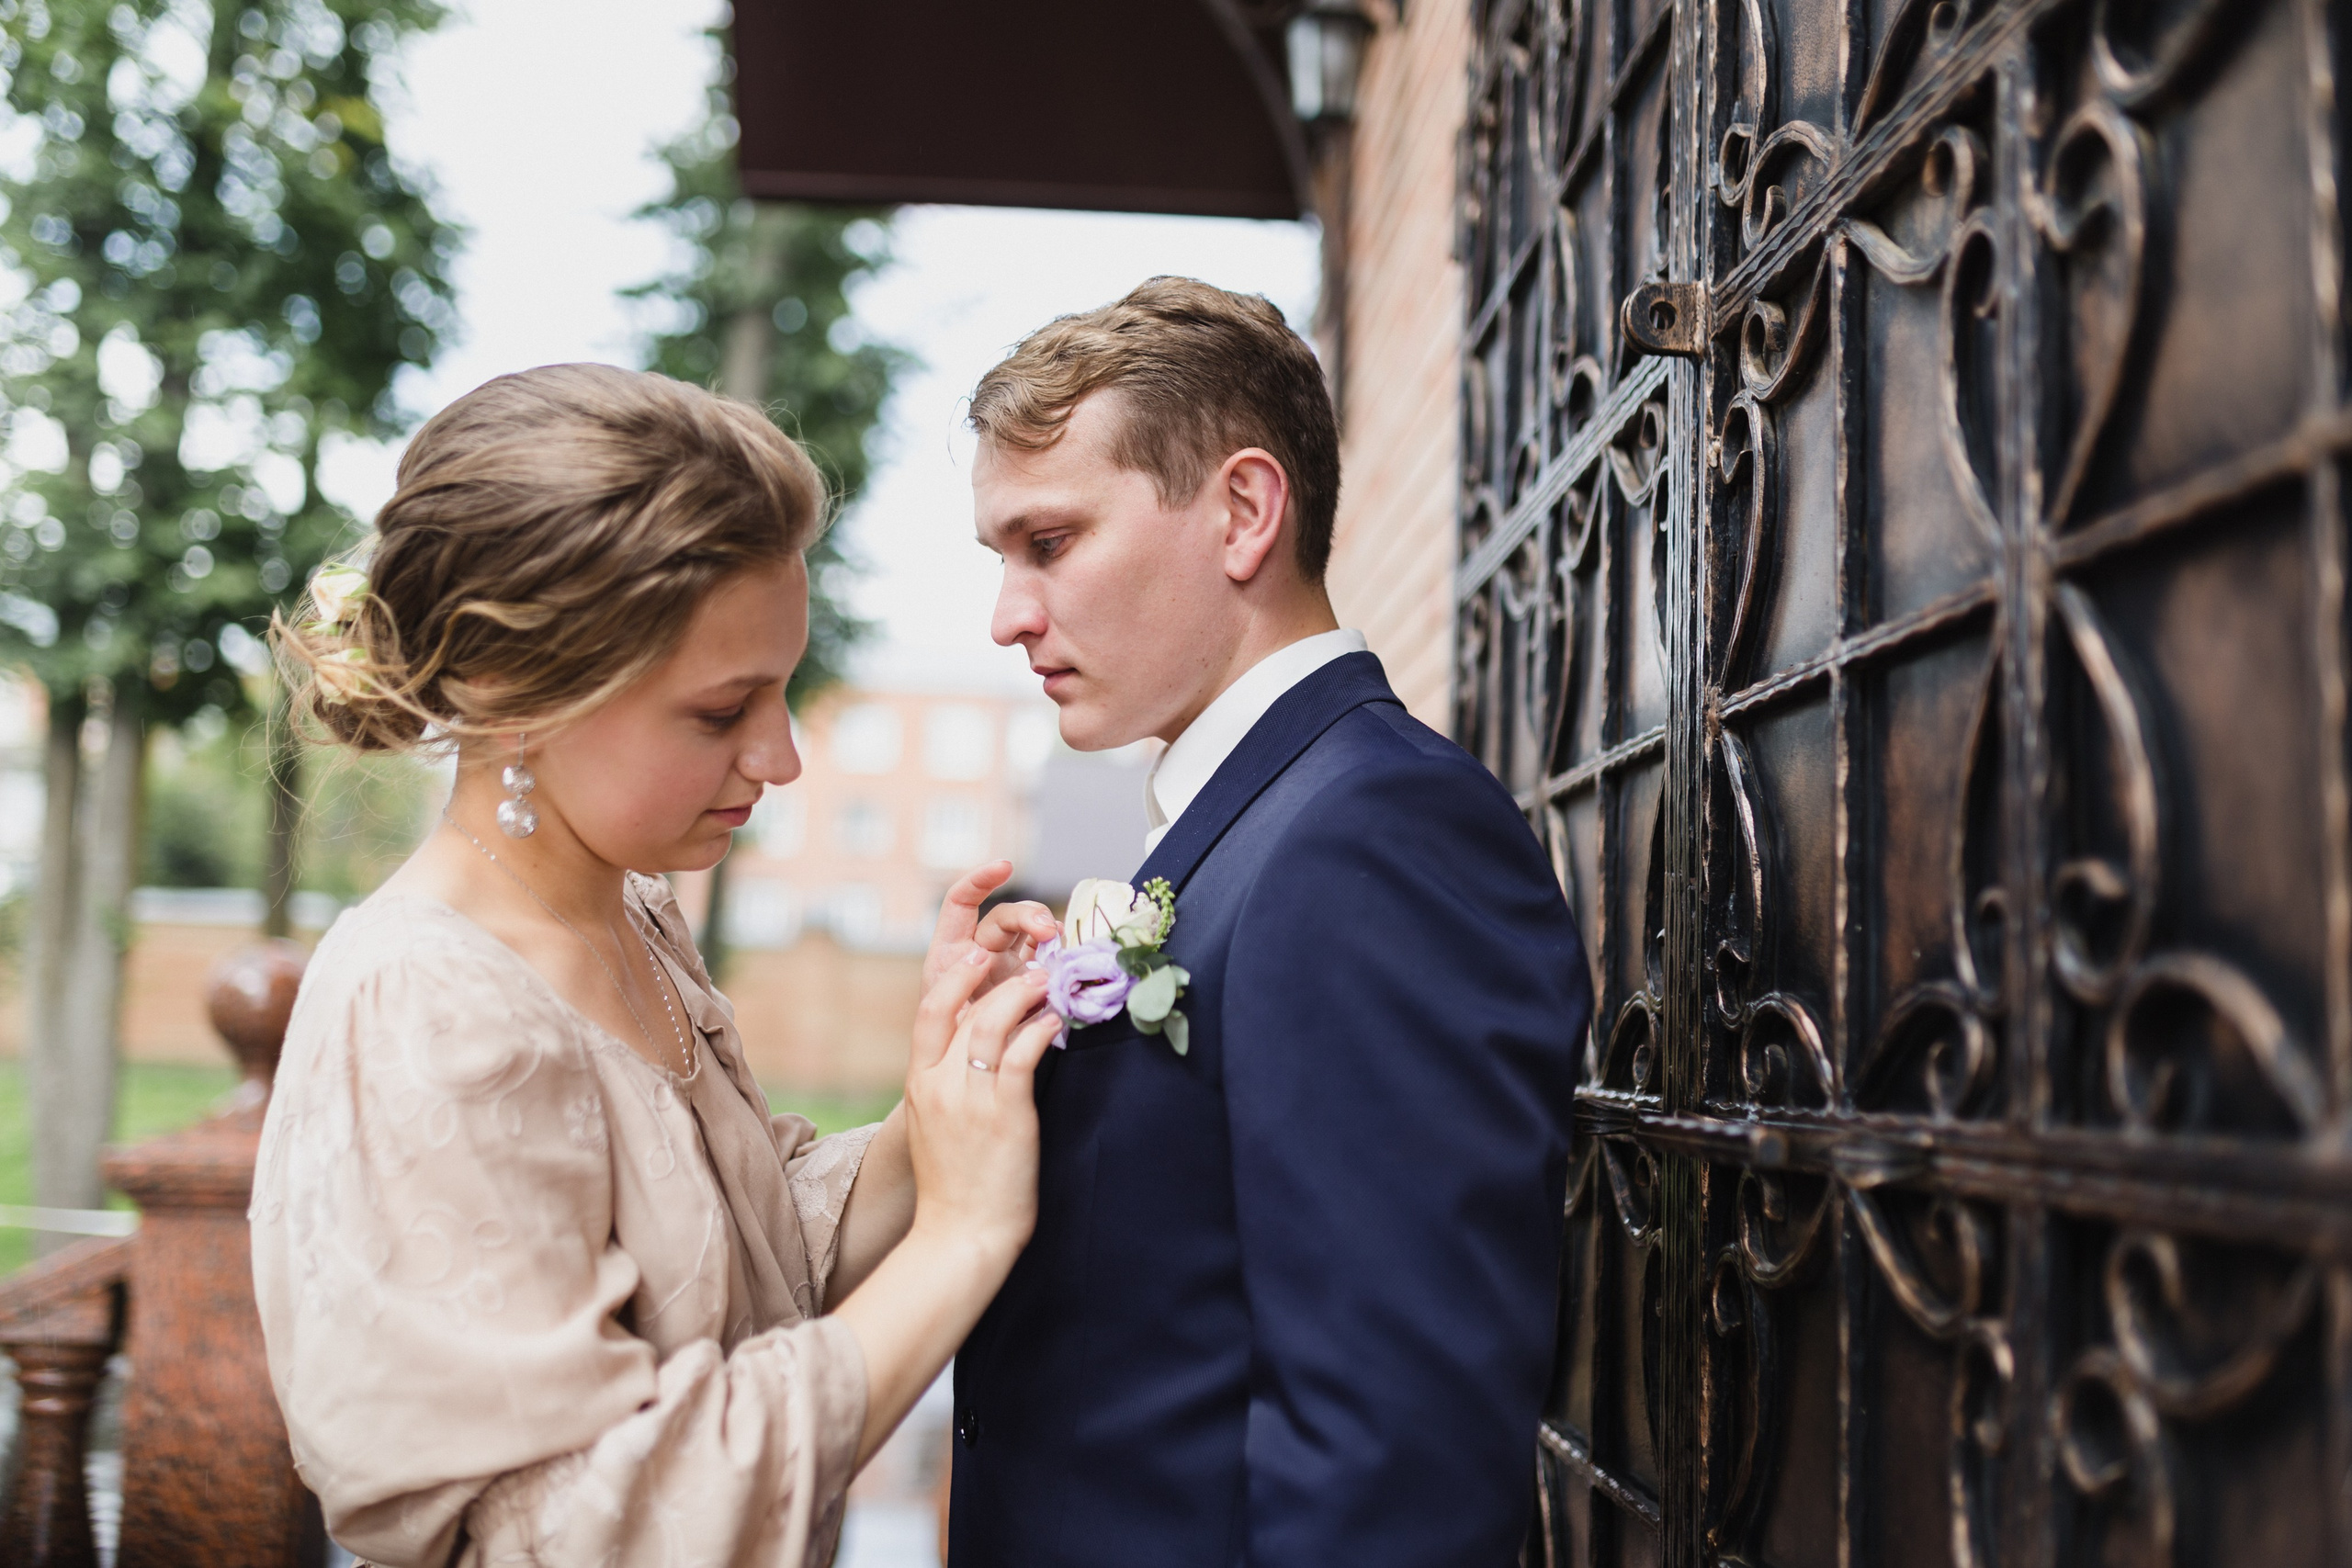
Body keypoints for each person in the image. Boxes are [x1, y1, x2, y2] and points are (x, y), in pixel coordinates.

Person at [249, 363, 1062, 1568]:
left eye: (781, 692)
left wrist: (944, 1096)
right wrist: (961, 1236)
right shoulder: (425, 1009)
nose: (780, 759)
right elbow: (586, 1529)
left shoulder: (632, 914)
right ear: (510, 691)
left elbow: (742, 1267)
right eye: (720, 710)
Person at [949, 277, 1593, 1566]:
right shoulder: (1249, 822)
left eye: (1051, 543)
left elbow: (1394, 1450)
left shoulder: (1377, 836)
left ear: (1244, 511)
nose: (1009, 616)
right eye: (1003, 559)